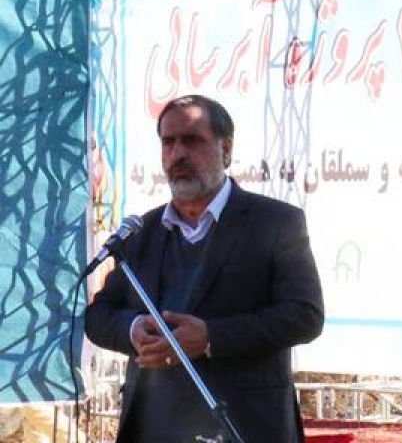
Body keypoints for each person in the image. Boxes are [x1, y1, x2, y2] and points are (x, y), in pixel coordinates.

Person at [85, 94, 324, 442]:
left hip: (244, 425)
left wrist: (211, 337)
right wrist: (133, 329)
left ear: (226, 149)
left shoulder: (275, 223)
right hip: (154, 426)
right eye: (169, 142)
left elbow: (305, 315)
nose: (178, 153)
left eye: (192, 140)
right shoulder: (141, 234)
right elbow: (98, 317)